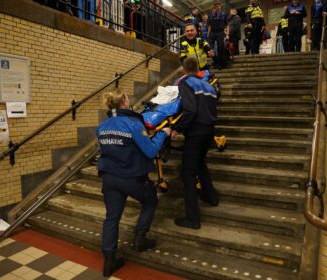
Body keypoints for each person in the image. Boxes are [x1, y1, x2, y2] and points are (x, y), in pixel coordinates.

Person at [97, 89, 171, 277]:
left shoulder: (103, 126)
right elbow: (150, 151)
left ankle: (109, 260)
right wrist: (163, 133)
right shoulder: (133, 123)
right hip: (131, 177)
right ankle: (140, 238)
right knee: (150, 200)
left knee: (112, 218)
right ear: (123, 102)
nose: (130, 101)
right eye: (128, 98)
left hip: (109, 178)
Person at [171, 57, 219, 230]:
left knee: (188, 173)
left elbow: (190, 110)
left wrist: (177, 128)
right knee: (200, 163)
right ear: (198, 69)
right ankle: (211, 196)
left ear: (184, 70)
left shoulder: (186, 83)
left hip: (196, 132)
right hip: (210, 130)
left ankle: (192, 218)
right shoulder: (210, 86)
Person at [208, 3, 228, 69]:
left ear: (220, 7)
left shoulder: (224, 14)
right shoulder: (211, 15)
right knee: (210, 48)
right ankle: (215, 61)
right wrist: (209, 33)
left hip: (220, 32)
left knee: (220, 48)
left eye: (219, 6)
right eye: (216, 6)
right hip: (212, 32)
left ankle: (220, 63)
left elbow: (227, 25)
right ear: (214, 7)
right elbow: (209, 25)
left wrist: (227, 34)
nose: (217, 7)